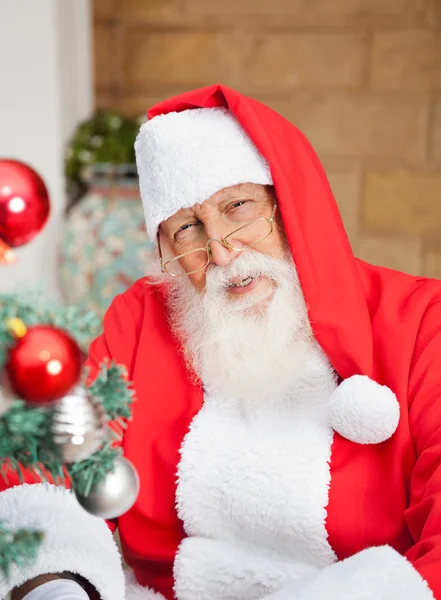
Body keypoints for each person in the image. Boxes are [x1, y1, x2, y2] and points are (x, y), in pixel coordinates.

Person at [1, 84, 441, 600]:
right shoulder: (142, 320)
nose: (222, 251)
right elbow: (49, 468)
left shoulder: (420, 321)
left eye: (238, 206)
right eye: (186, 227)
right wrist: (58, 587)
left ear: (289, 204)